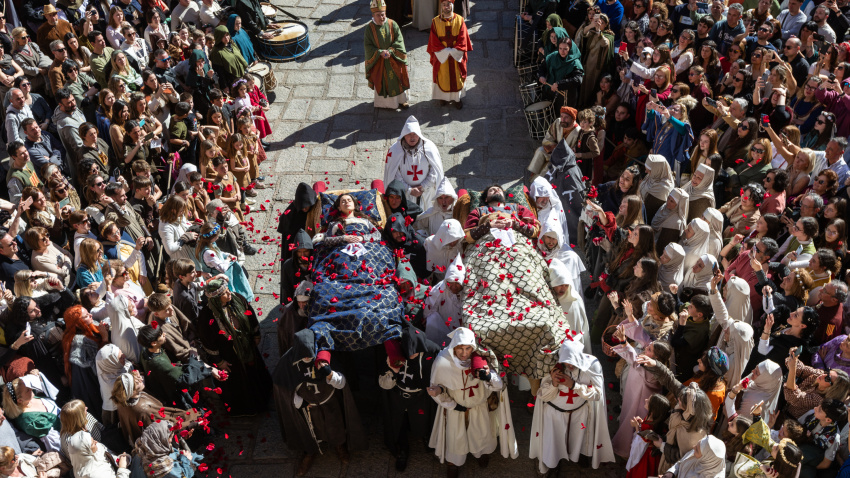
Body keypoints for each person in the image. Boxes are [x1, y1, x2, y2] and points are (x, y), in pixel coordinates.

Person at [272, 329, 364, 475]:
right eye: (304, 354)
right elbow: (282, 386)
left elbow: (342, 383)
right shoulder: (289, 361)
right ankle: (309, 452)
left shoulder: (325, 355)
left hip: (329, 401)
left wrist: (330, 374)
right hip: (307, 407)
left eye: (310, 354)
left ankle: (339, 446)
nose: (307, 357)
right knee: (310, 431)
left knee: (335, 426)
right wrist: (299, 402)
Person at [427, 327, 517, 476]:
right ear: (454, 346)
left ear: (473, 347)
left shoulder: (482, 357)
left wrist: (488, 376)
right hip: (455, 409)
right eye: (460, 348)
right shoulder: (443, 361)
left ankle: (480, 453)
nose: (464, 353)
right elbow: (437, 386)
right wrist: (451, 404)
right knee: (455, 438)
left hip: (479, 406)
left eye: (468, 348)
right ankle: (454, 462)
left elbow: (498, 385)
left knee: (481, 434)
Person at [529, 339, 615, 472]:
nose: (569, 365)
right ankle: (553, 464)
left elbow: (597, 395)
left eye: (573, 361)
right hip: (554, 415)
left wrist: (574, 385)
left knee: (579, 438)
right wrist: (554, 384)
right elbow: (543, 396)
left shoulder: (592, 365)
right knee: (554, 443)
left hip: (579, 413)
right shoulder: (552, 366)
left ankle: (580, 455)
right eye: (566, 361)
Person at [196, 278, 271, 416]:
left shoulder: (238, 299)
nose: (229, 293)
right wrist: (219, 361)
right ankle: (246, 409)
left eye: (228, 290)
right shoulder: (207, 316)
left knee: (254, 374)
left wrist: (256, 334)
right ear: (216, 299)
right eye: (225, 293)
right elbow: (207, 341)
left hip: (247, 345)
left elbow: (251, 315)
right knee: (239, 383)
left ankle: (263, 399)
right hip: (229, 355)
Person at [384, 116, 445, 209]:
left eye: (415, 134)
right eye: (409, 134)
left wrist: (423, 186)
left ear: (419, 134)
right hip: (405, 194)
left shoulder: (429, 148)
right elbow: (394, 175)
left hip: (426, 193)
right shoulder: (395, 150)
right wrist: (409, 190)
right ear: (404, 135)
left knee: (426, 213)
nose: (412, 137)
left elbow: (435, 171)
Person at [364, 0, 410, 109]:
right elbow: (368, 46)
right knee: (382, 81)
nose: (381, 18)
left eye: (383, 14)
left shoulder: (392, 24)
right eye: (378, 15)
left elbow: (399, 40)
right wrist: (379, 52)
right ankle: (384, 104)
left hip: (394, 58)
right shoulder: (369, 29)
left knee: (398, 79)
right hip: (379, 62)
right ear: (373, 15)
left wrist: (391, 51)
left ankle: (401, 100)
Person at [427, 0, 472, 109]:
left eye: (448, 4)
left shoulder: (460, 20)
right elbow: (434, 41)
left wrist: (453, 52)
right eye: (444, 4)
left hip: (456, 57)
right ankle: (442, 97)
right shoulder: (435, 22)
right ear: (441, 6)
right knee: (443, 76)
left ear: (452, 5)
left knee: (457, 77)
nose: (446, 7)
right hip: (441, 57)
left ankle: (457, 98)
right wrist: (446, 52)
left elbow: (463, 40)